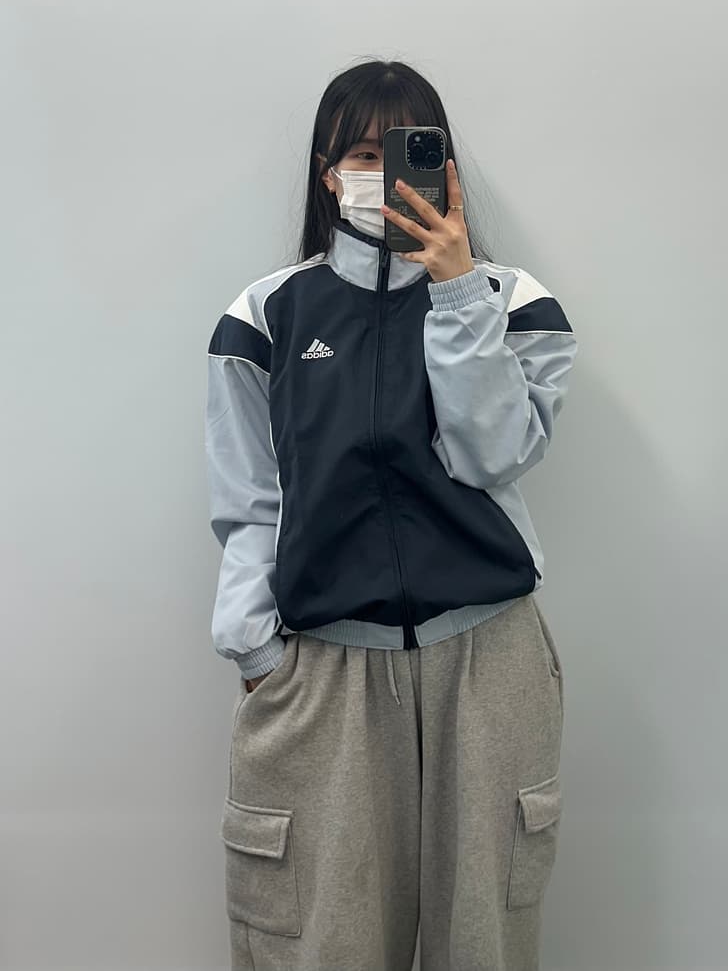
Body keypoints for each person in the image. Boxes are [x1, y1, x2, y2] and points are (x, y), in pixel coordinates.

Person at [205, 59, 578, 970]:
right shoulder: (266, 314)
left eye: (406, 149)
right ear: (327, 173)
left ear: (442, 164)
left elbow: (493, 453)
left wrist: (454, 290)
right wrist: (254, 650)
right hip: (324, 670)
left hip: (487, 661)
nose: (381, 171)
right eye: (362, 153)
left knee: (482, 943)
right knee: (314, 943)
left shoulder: (512, 301)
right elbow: (250, 497)